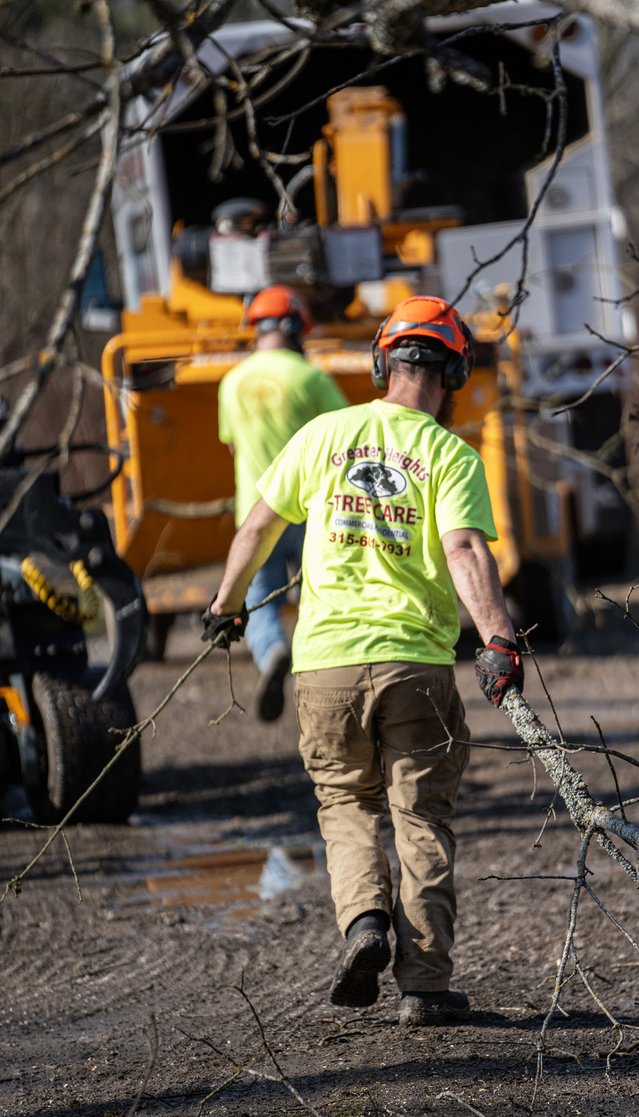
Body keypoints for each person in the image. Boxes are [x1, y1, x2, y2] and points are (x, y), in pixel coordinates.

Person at [203, 295, 524, 1027]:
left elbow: (256, 523)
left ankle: (364, 924)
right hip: (416, 665)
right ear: (454, 374)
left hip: (323, 667)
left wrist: (226, 605)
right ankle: (425, 986)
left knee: (346, 804)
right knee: (421, 816)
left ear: (384, 362)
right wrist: (500, 639)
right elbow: (466, 550)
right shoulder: (450, 455)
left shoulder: (325, 435)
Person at [217, 284, 347, 721]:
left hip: (256, 513)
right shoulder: (310, 378)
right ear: (294, 328)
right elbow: (345, 440)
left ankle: (272, 653)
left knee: (257, 603)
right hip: (312, 510)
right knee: (323, 595)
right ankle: (328, 674)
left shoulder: (231, 383)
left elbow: (233, 448)